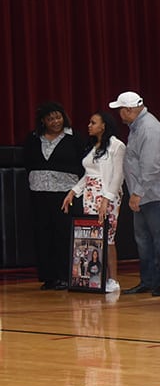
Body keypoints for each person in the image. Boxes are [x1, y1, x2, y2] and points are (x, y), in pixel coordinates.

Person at [111, 92, 160, 297]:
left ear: (129, 110)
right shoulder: (138, 127)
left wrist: (137, 193)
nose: (119, 114)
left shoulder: (149, 129)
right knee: (144, 240)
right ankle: (149, 280)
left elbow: (151, 166)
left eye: (121, 110)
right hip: (144, 194)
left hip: (156, 194)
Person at [24, 101, 86, 290]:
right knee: (43, 234)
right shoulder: (33, 138)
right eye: (50, 119)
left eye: (58, 117)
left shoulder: (74, 137)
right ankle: (49, 276)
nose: (55, 121)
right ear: (43, 121)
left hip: (65, 194)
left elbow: (82, 165)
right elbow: (27, 162)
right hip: (39, 193)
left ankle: (65, 276)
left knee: (63, 234)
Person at [62, 111, 124, 293]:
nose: (89, 125)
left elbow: (118, 176)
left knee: (108, 237)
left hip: (107, 196)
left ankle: (113, 280)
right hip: (90, 195)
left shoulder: (116, 146)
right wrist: (74, 191)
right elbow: (89, 175)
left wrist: (106, 199)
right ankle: (96, 278)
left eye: (93, 122)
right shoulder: (93, 146)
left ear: (104, 125)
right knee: (94, 237)